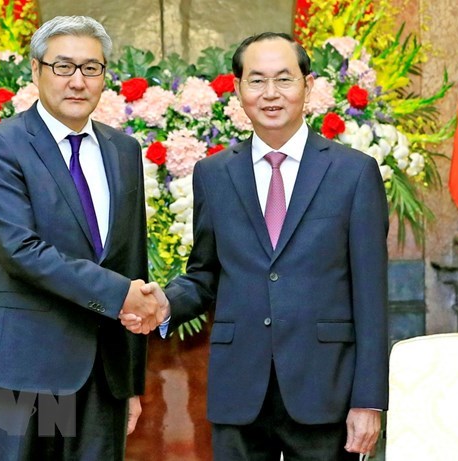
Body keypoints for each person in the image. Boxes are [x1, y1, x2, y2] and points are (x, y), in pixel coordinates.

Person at [121, 32, 389, 460]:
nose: (270, 94)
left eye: (284, 79)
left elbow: (372, 297)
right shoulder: (213, 174)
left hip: (325, 388)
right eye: (256, 80)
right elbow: (206, 274)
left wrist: (369, 401)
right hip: (239, 388)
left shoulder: (353, 173)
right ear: (239, 90)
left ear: (308, 85)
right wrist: (165, 304)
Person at [0, 16, 164, 460]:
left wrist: (131, 382)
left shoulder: (124, 150)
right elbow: (23, 252)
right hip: (27, 368)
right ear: (36, 71)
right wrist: (123, 295)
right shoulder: (0, 146)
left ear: (104, 77)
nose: (78, 81)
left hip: (104, 374)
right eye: (63, 67)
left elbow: (131, 261)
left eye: (91, 68)